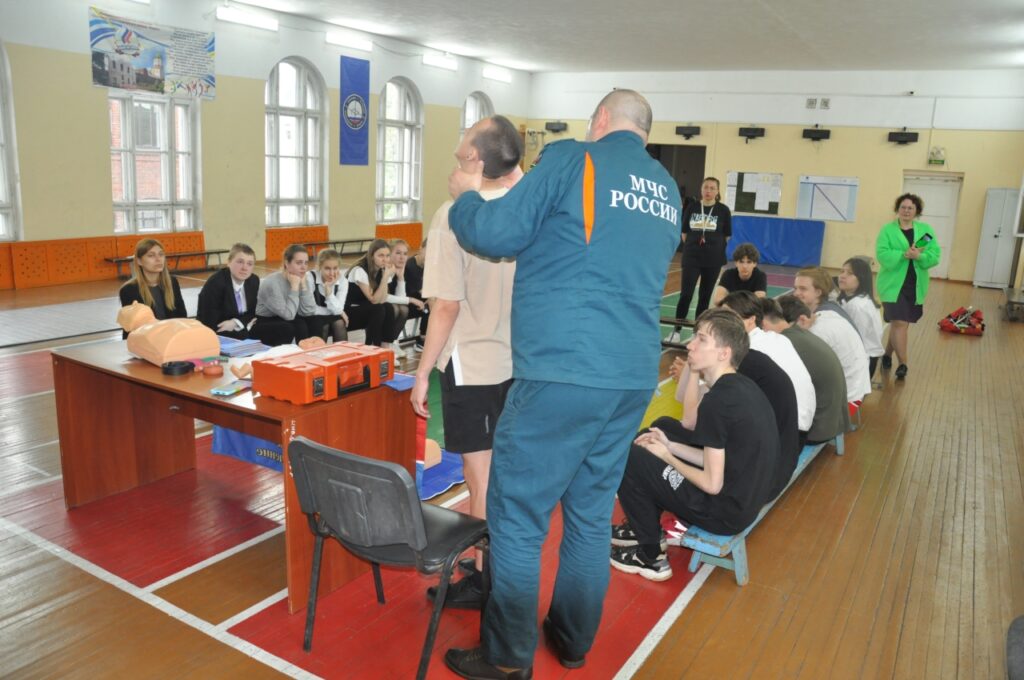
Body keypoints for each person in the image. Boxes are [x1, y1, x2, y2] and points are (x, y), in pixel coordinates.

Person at [442, 90, 680, 679]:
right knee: (590, 515)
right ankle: (572, 641)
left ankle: (505, 659)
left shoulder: (575, 158)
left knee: (517, 514)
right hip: (631, 375)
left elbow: (498, 232)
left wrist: (466, 198)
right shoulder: (666, 189)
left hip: (564, 369)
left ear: (600, 120)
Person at [410, 114, 524, 611]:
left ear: (475, 156)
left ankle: (484, 581)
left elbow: (446, 307)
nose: (458, 140)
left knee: (481, 481)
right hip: (518, 363)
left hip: (473, 365)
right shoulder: (524, 205)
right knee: (501, 476)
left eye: (467, 134)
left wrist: (421, 373)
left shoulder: (452, 213)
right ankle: (492, 562)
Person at [613, 309, 780, 579]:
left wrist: (666, 456)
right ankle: (644, 527)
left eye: (701, 339)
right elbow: (715, 458)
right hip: (743, 501)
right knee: (660, 430)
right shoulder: (740, 387)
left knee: (631, 456)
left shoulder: (719, 402)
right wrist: (669, 445)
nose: (690, 345)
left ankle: (650, 556)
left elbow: (712, 484)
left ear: (724, 353)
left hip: (723, 513)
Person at [718, 290, 816, 440]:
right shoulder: (778, 338)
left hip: (785, 435)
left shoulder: (748, 351)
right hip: (801, 426)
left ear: (751, 320)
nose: (721, 323)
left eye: (728, 317)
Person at [762, 297, 850, 444]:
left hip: (816, 430)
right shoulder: (798, 333)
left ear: (763, 325)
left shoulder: (782, 344)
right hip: (834, 420)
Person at [876, 193, 941, 380]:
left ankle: (887, 355)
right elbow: (882, 254)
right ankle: (903, 363)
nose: (906, 211)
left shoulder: (925, 231)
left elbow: (934, 256)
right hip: (892, 285)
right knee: (900, 323)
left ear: (916, 211)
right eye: (903, 207)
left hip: (915, 285)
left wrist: (919, 256)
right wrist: (903, 255)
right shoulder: (887, 230)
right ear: (897, 209)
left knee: (899, 324)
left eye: (910, 208)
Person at [668, 176, 731, 342]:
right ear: (701, 189)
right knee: (686, 294)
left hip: (713, 260)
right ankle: (676, 331)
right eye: (705, 187)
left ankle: (697, 332)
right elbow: (684, 233)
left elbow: (727, 235)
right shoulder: (693, 207)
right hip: (692, 257)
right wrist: (693, 246)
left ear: (717, 191)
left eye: (712, 188)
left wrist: (713, 247)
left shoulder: (723, 210)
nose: (708, 191)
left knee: (704, 297)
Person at [784, 290, 871, 407]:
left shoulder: (815, 335)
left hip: (848, 402)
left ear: (802, 320)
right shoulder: (825, 314)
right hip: (858, 385)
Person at [118, 238, 187, 337]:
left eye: (161, 254)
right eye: (151, 255)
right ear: (139, 261)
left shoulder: (172, 282)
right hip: (144, 339)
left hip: (171, 336)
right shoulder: (129, 290)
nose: (158, 259)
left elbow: (182, 316)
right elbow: (136, 327)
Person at [252, 244, 315, 347]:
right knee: (288, 327)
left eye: (306, 263)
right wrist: (294, 287)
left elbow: (309, 311)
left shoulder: (301, 278)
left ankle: (308, 353)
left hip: (286, 317)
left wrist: (304, 286)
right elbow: (288, 315)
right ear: (287, 263)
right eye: (299, 263)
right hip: (265, 322)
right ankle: (282, 356)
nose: (304, 267)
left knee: (312, 322)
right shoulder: (272, 283)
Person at [344, 239, 401, 351]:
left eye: (387, 256)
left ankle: (385, 347)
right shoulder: (359, 270)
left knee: (388, 307)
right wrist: (385, 277)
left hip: (366, 308)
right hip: (350, 311)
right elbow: (374, 300)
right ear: (371, 256)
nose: (385, 259)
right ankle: (372, 347)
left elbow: (383, 299)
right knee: (378, 309)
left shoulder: (382, 270)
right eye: (381, 255)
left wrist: (385, 276)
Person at [196, 242, 259, 339]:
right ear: (228, 262)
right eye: (240, 262)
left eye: (249, 264)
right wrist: (245, 325)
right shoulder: (216, 283)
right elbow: (210, 322)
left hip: (240, 327)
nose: (245, 268)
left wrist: (236, 322)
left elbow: (255, 312)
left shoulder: (253, 281)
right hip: (216, 332)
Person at [837, 257, 884, 380]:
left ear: (861, 279)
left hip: (864, 359)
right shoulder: (849, 298)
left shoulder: (858, 306)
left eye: (850, 273)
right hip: (858, 356)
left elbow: (856, 340)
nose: (842, 276)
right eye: (842, 271)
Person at [386, 238, 427, 356]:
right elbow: (383, 297)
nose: (402, 257)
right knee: (395, 309)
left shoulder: (399, 269)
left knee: (403, 309)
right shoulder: (385, 269)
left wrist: (400, 278)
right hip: (367, 305)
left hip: (392, 303)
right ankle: (385, 344)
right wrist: (411, 300)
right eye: (398, 253)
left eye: (405, 254)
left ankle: (391, 342)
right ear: (389, 254)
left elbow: (401, 297)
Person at [304, 248, 348, 342]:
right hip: (310, 317)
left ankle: (341, 350)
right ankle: (318, 351)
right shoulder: (309, 277)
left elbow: (338, 309)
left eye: (335, 268)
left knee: (339, 322)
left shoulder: (343, 281)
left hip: (329, 316)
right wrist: (339, 312)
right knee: (324, 324)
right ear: (319, 267)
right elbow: (310, 309)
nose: (332, 273)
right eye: (327, 268)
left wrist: (329, 292)